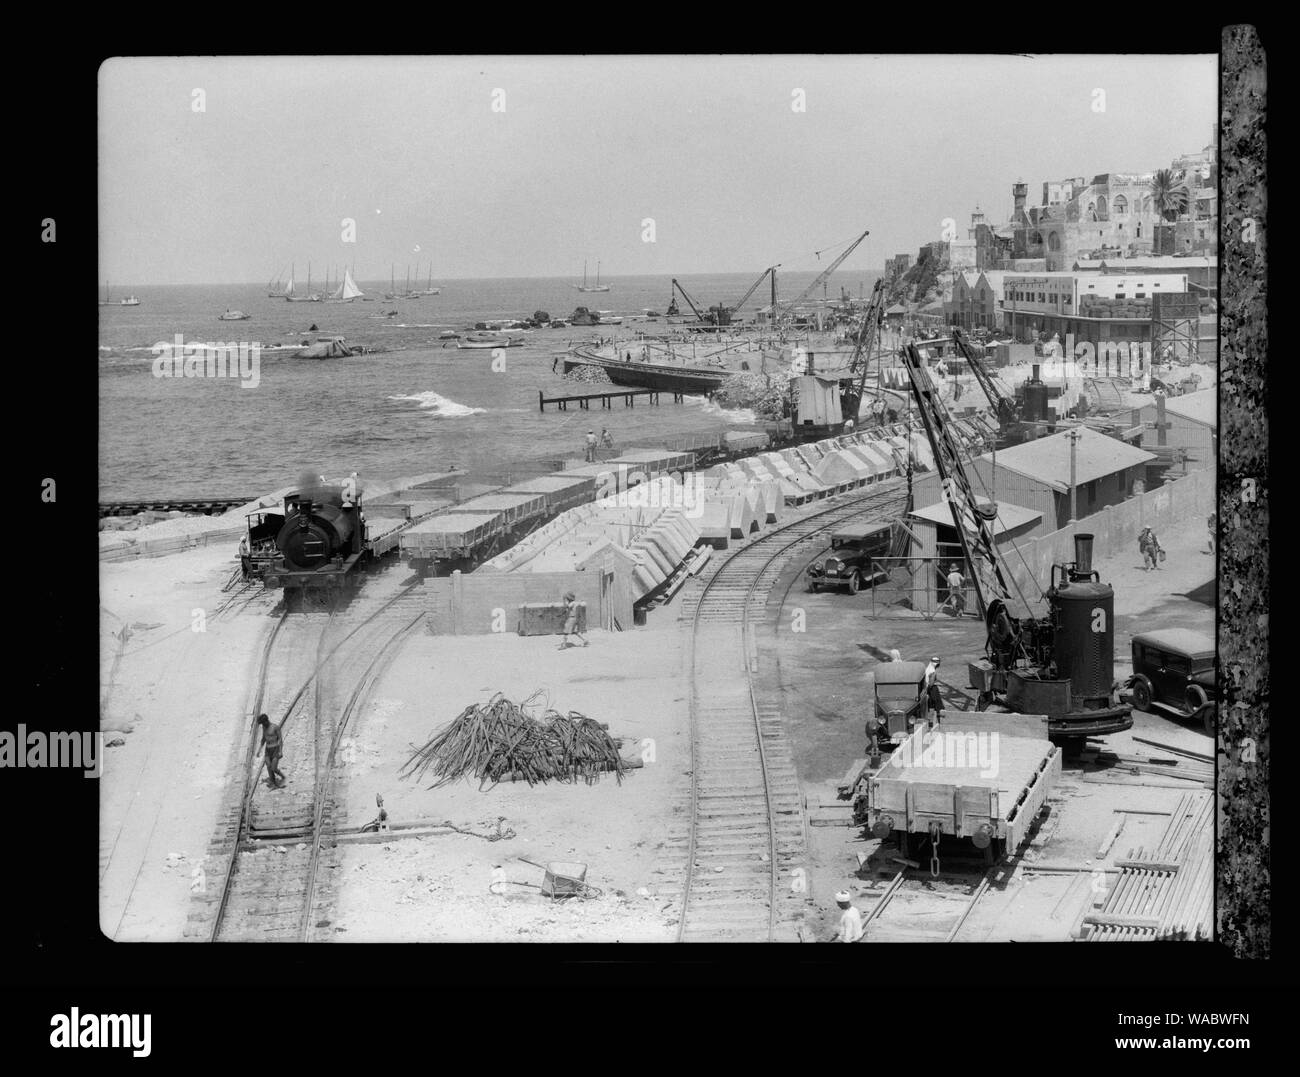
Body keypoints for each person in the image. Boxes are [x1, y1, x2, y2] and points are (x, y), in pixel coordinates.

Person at [257, 713, 285, 788]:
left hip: (275, 749)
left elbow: (280, 739)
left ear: (266, 721)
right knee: (268, 766)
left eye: (263, 723)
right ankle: (273, 782)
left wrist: (280, 751)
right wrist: (259, 749)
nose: (263, 725)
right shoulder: (264, 727)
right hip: (267, 750)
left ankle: (282, 776)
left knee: (274, 768)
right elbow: (263, 738)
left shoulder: (275, 727)